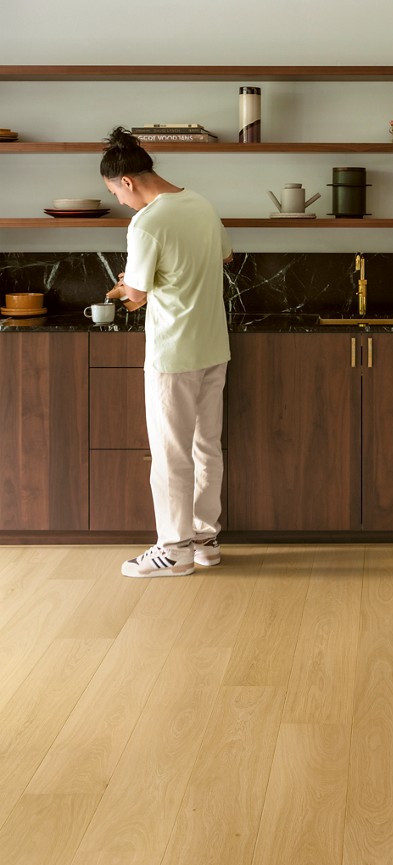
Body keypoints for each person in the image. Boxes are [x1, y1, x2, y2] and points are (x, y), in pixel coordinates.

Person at [100, 127, 233, 578]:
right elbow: (223, 257)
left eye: (116, 193)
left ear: (127, 181)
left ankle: (173, 550)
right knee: (206, 447)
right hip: (213, 344)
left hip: (173, 353)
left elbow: (136, 295)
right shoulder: (201, 204)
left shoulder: (147, 222)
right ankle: (204, 541)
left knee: (171, 453)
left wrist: (125, 285)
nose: (121, 202)